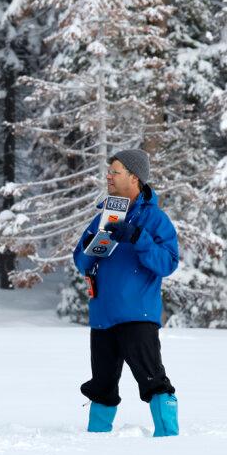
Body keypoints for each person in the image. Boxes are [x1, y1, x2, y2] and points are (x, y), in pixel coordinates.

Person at [73, 149, 179, 436]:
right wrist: (97, 238)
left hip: (137, 314)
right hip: (103, 316)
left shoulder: (156, 220)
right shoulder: (106, 217)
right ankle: (95, 440)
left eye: (115, 171)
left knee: (152, 379)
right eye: (109, 171)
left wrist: (137, 237)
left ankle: (170, 439)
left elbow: (167, 263)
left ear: (134, 178)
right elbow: (82, 262)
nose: (108, 176)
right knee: (102, 385)